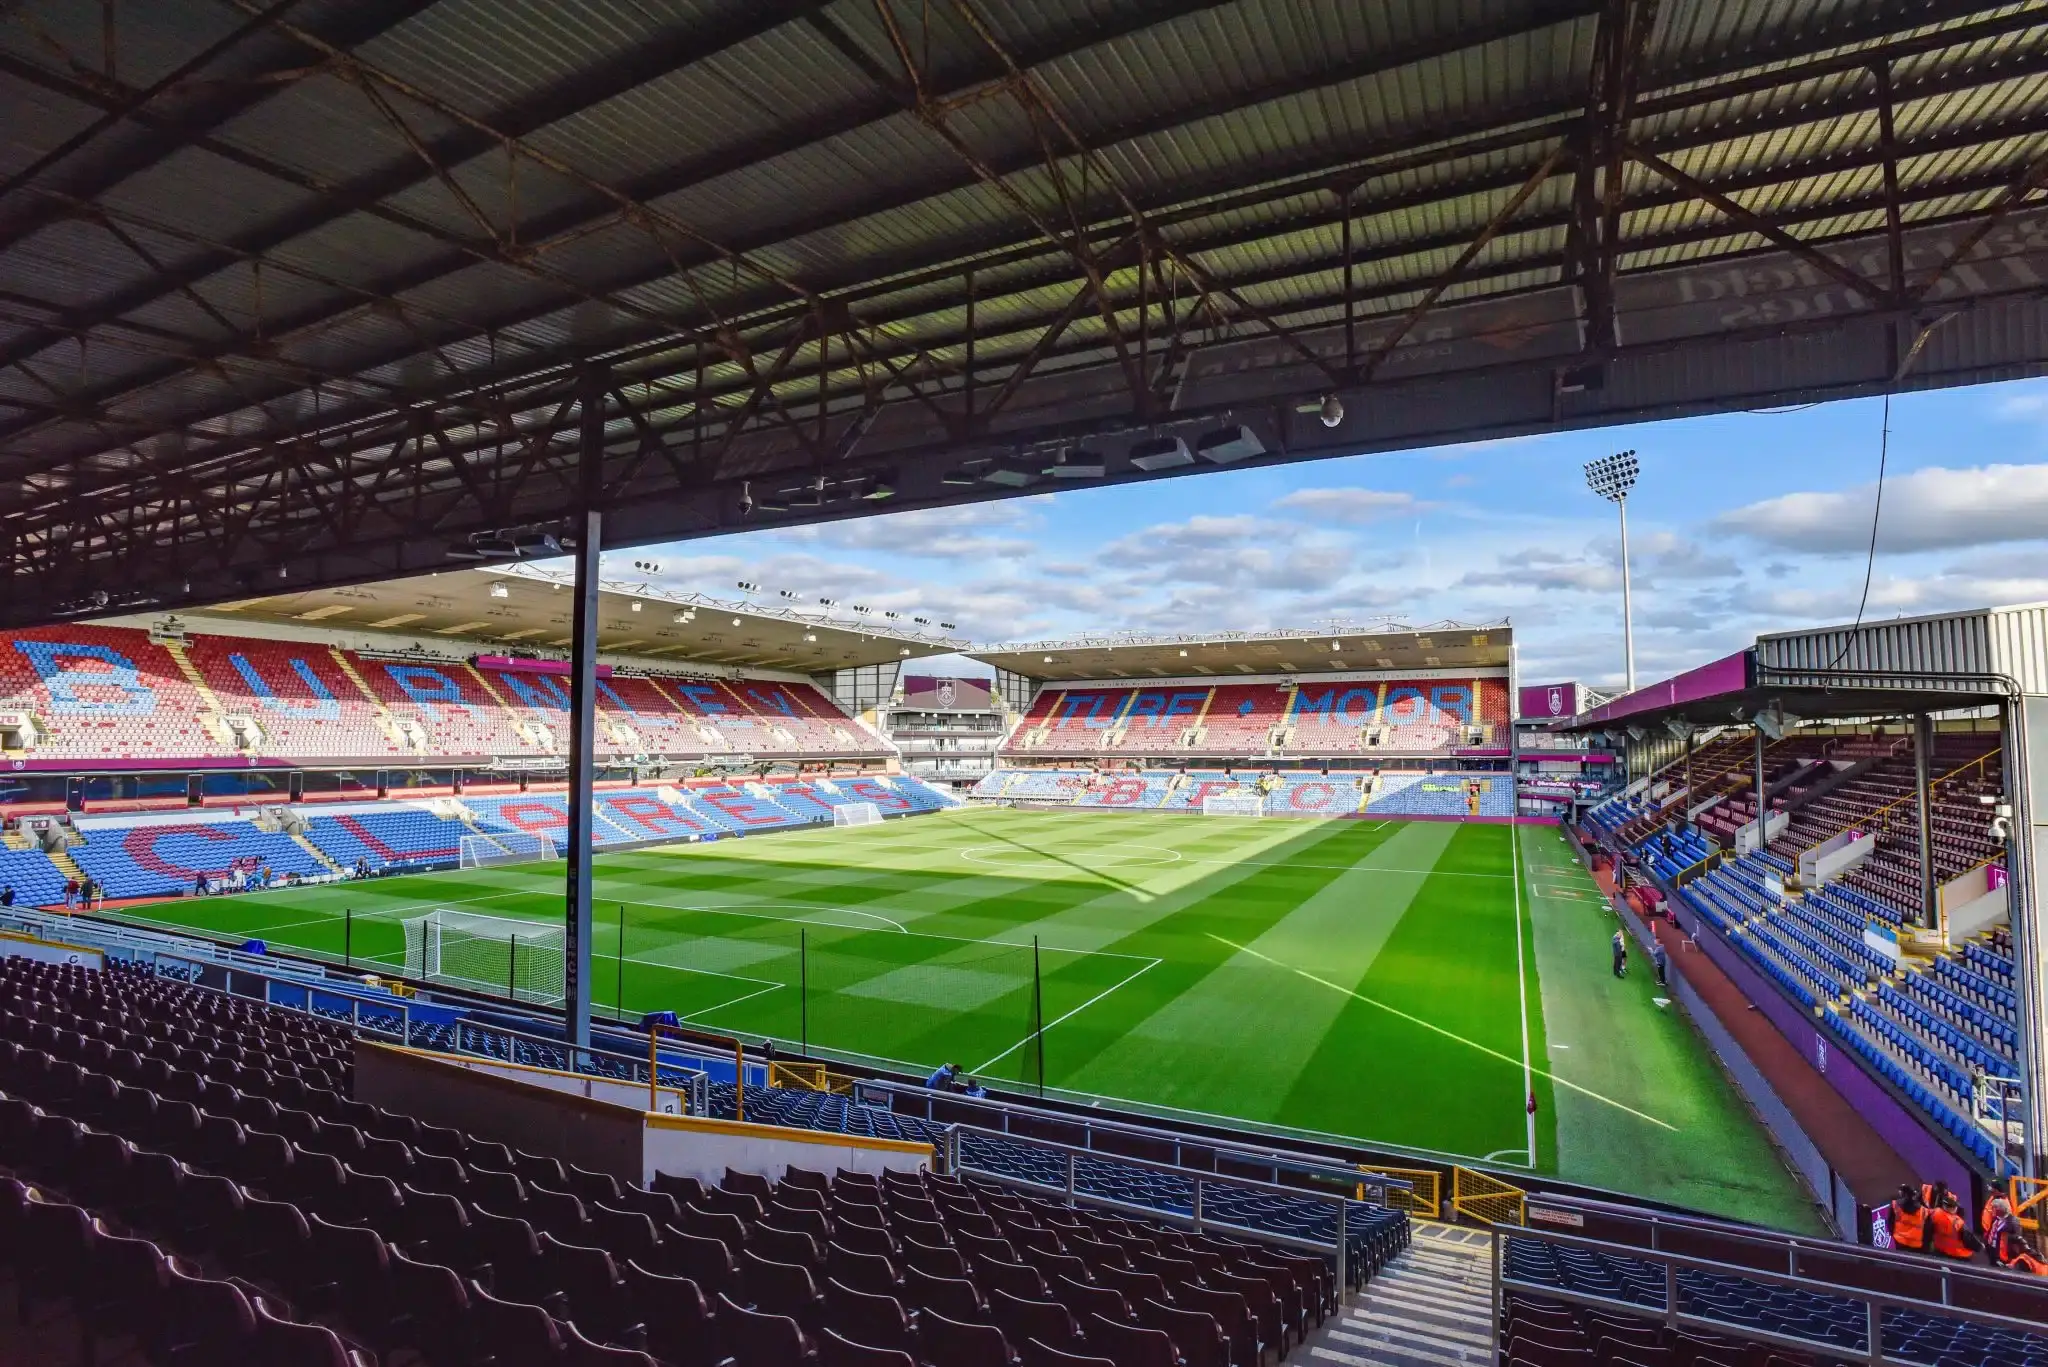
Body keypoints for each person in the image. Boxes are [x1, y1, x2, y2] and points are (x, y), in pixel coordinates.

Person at [1986, 1197, 2048, 1274]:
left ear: (2000, 1209)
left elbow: (2017, 1240)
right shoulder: (1995, 1219)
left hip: (2006, 1258)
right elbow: (1992, 1234)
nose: (1991, 1210)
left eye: (1993, 1208)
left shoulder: (2012, 1222)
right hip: (1993, 1255)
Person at [1926, 1189, 1983, 1262]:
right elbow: (1970, 1240)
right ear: (1953, 1208)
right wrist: (1980, 1246)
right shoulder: (1958, 1222)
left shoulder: (1934, 1213)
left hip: (1940, 1250)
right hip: (1958, 1255)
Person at [1888, 1184, 1928, 1253]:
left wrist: (1893, 1235)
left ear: (1903, 1193)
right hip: (1916, 1244)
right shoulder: (1923, 1210)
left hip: (1900, 1241)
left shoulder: (1895, 1205)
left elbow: (1890, 1222)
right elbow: (1927, 1228)